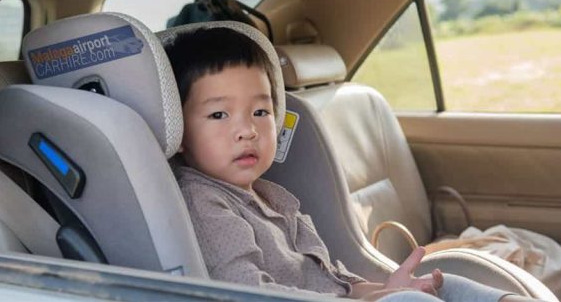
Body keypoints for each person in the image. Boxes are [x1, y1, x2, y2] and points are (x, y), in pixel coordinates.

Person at [164, 26, 538, 302]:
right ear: (179, 130)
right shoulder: (205, 203)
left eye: (261, 111)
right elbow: (248, 294)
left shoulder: (273, 198)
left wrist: (384, 289)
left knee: (448, 286)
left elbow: (333, 280)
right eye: (218, 115)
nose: (247, 129)